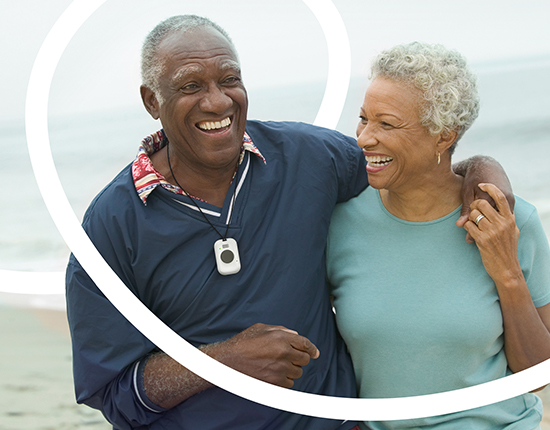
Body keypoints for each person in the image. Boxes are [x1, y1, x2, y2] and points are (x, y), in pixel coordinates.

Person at [66, 16, 514, 430]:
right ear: (152, 101)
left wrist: (482, 170)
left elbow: (410, 168)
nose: (217, 100)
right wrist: (224, 360)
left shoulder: (309, 157)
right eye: (190, 86)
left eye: (229, 80)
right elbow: (113, 393)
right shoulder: (111, 226)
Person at [326, 42, 550, 430]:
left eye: (386, 124)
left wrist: (508, 274)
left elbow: (538, 374)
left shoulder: (512, 222)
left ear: (443, 137)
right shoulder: (338, 224)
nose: (363, 138)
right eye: (363, 119)